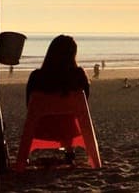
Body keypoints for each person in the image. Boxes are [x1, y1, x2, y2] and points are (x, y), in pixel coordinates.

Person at [25, 35, 90, 165]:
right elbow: (84, 103)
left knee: (55, 116)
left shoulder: (37, 76)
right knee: (69, 116)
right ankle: (69, 150)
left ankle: (26, 156)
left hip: (40, 128)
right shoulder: (78, 76)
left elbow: (29, 104)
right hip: (70, 130)